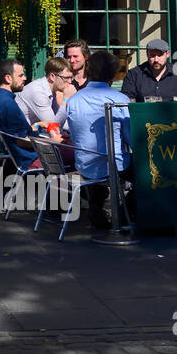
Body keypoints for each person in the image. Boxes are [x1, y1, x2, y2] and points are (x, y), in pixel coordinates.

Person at [65, 51, 132, 228]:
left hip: (84, 164)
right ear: (113, 74)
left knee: (101, 156)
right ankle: (126, 215)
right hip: (113, 165)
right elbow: (132, 140)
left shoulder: (73, 100)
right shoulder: (120, 99)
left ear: (88, 70)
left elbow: (75, 134)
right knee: (149, 172)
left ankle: (96, 205)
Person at [120, 38, 177, 102]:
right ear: (147, 54)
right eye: (152, 55)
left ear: (167, 54)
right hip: (144, 119)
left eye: (160, 55)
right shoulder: (134, 74)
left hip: (175, 120)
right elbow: (126, 101)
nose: (156, 59)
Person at [16, 56, 73, 130]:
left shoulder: (51, 90)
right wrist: (66, 99)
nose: (70, 82)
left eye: (71, 77)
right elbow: (54, 126)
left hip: (28, 133)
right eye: (66, 78)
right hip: (16, 137)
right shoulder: (37, 91)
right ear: (52, 77)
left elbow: (58, 119)